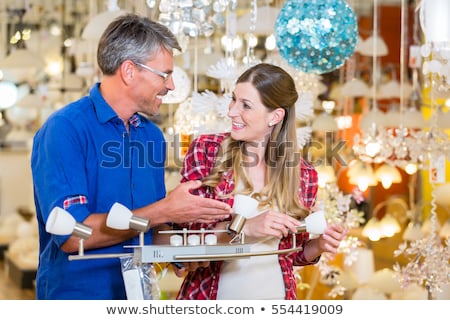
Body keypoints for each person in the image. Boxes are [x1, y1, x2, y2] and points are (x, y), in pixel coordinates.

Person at [30, 13, 232, 300]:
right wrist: (166, 209)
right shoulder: (65, 130)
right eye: (165, 74)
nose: (171, 86)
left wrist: (184, 250)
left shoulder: (151, 136)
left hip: (140, 297)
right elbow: (73, 235)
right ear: (129, 71)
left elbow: (148, 224)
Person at [173, 63, 347, 300]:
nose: (232, 111)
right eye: (234, 100)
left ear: (275, 116)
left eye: (245, 105)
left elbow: (290, 254)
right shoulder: (207, 151)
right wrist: (246, 229)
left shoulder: (303, 174)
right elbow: (187, 238)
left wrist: (318, 245)